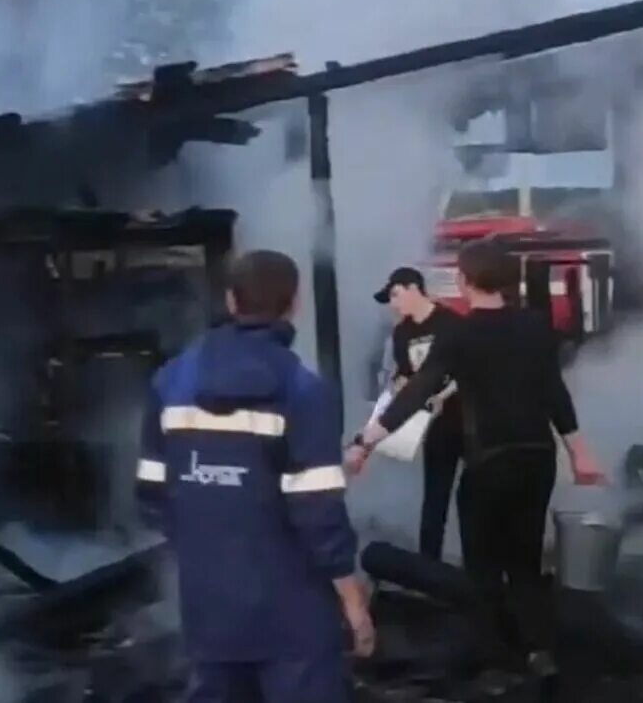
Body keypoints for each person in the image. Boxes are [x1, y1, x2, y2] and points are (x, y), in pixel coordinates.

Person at [344, 239, 604, 670]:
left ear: (464, 282)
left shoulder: (460, 334)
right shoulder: (537, 327)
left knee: (482, 567)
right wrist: (579, 453)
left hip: (489, 461)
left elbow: (418, 391)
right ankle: (540, 652)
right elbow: (554, 393)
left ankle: (494, 659)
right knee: (525, 561)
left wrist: (365, 441)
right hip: (538, 459)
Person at [136, 250, 372, 703]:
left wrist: (207, 548)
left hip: (209, 604)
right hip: (293, 609)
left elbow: (152, 494)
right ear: (295, 303)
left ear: (230, 300)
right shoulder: (303, 392)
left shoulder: (170, 382)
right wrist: (352, 598)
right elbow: (317, 512)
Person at [374, 266, 464, 560]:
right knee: (435, 497)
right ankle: (430, 564)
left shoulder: (450, 322)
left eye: (396, 295)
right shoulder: (403, 333)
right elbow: (405, 372)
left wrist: (442, 395)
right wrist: (400, 386)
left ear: (414, 288)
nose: (394, 304)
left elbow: (467, 369)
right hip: (433, 425)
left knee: (475, 495)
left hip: (466, 418)